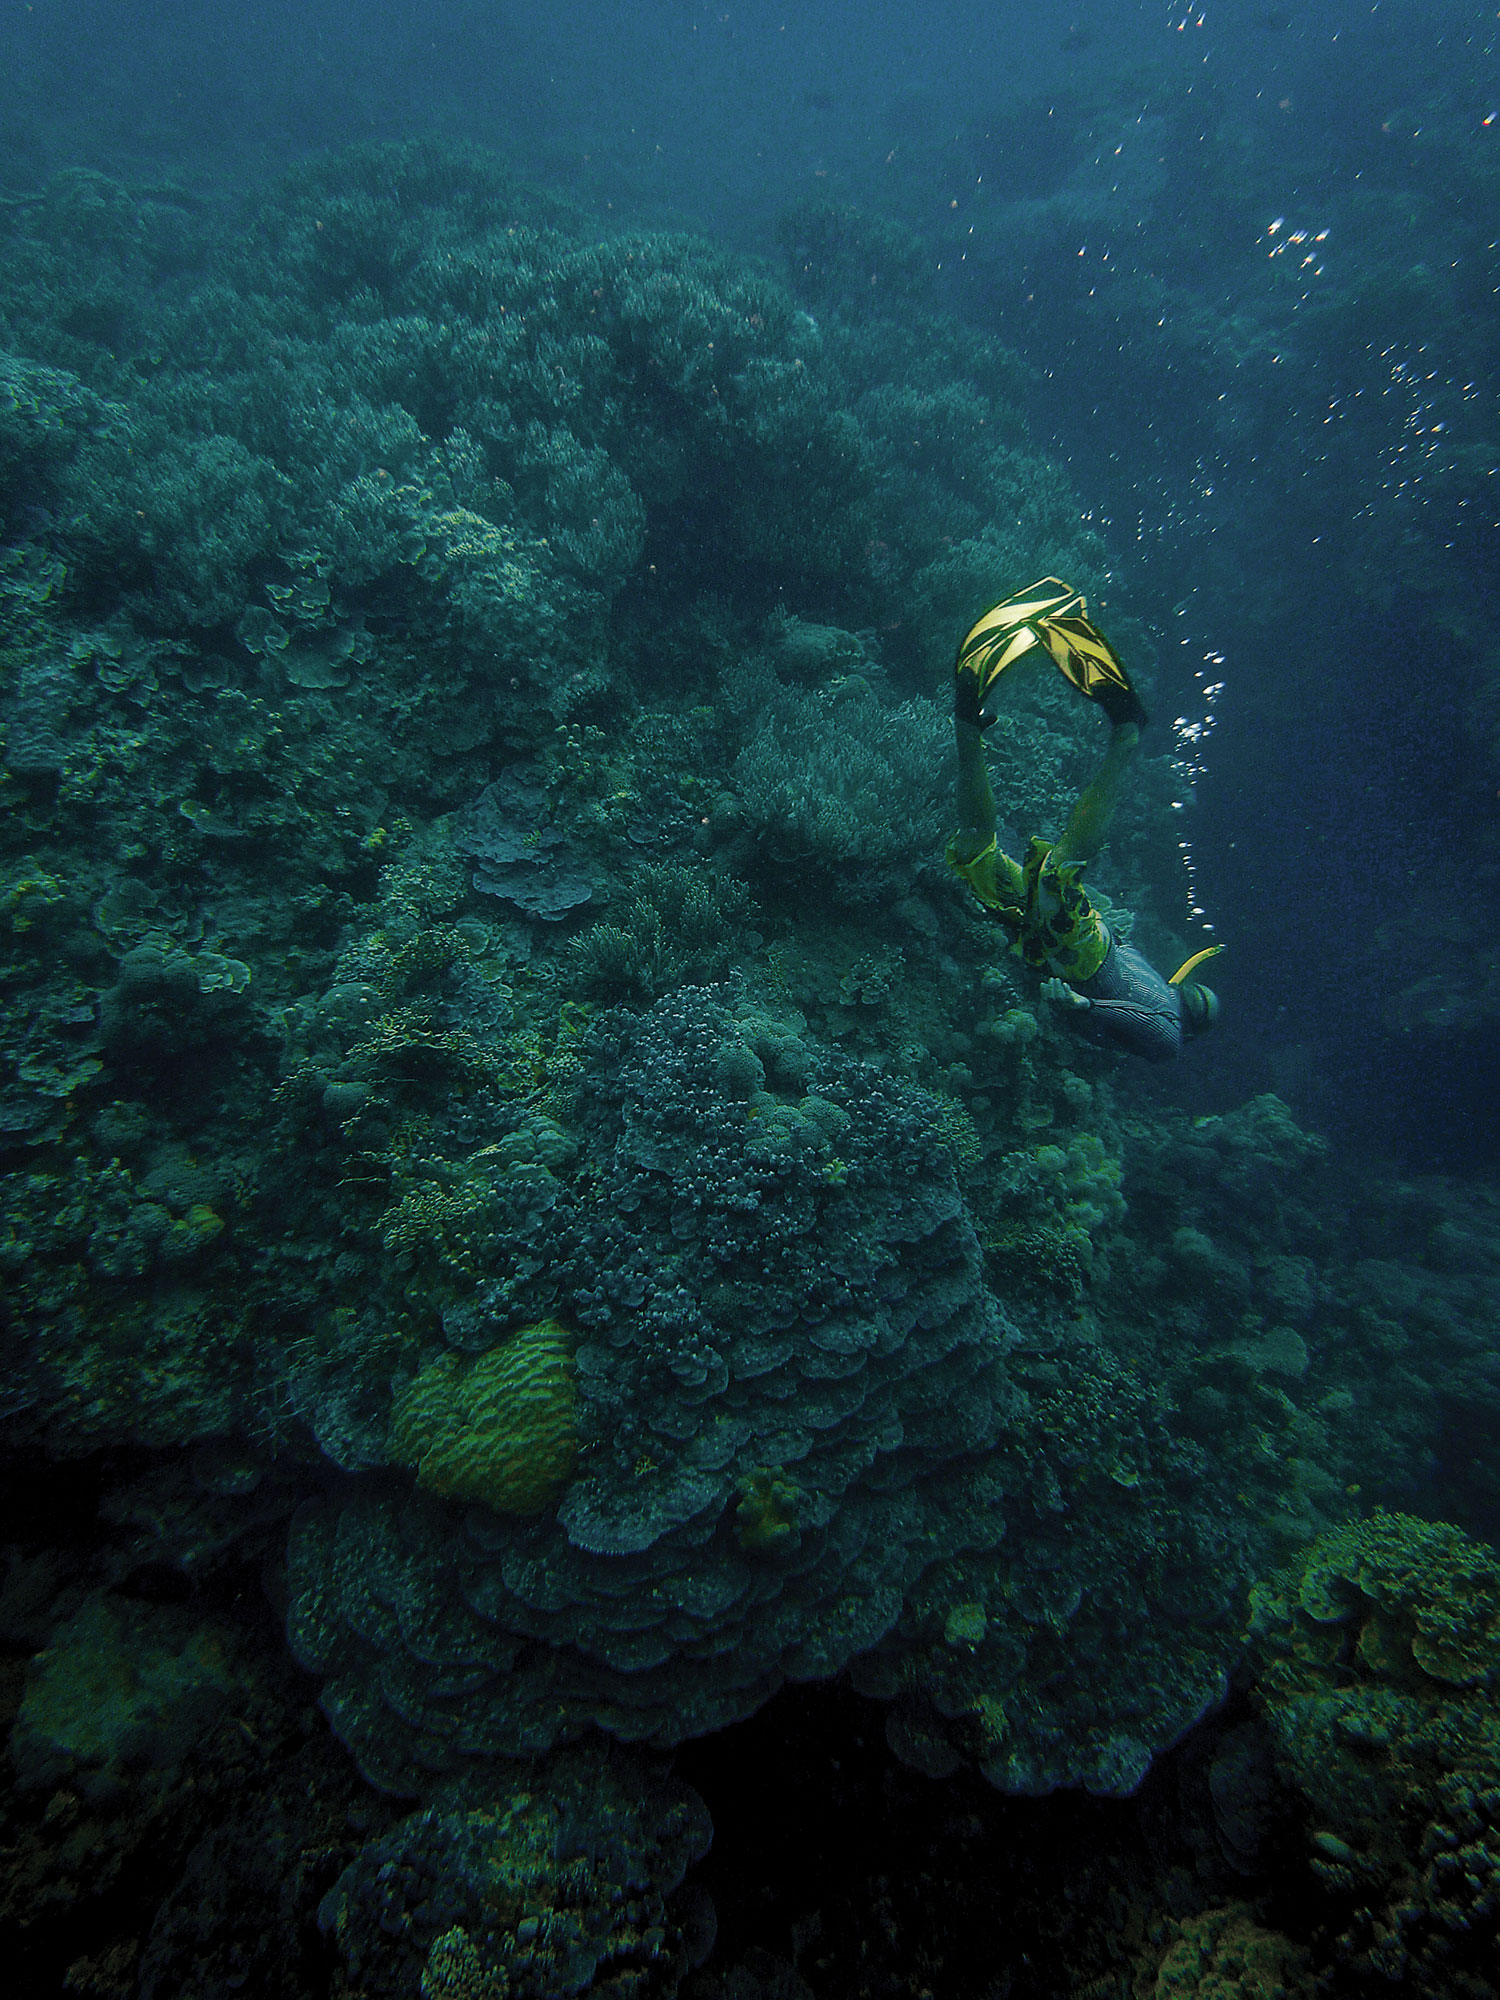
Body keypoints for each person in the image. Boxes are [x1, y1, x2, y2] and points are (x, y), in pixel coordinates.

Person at [946, 577, 1220, 1061]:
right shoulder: (1172, 1035)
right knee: (1056, 875)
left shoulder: (1164, 986)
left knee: (975, 852)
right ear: (1194, 1024)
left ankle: (968, 727)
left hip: (1043, 944)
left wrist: (1082, 1005)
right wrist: (1082, 1006)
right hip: (1078, 953)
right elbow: (1145, 1023)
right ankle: (1126, 735)